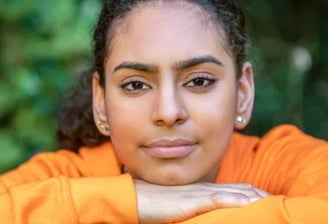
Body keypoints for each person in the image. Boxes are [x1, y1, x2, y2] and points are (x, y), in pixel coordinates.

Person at [1, 0, 328, 223]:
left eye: (199, 80)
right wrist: (135, 201)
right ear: (101, 102)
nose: (168, 112)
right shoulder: (70, 176)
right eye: (135, 85)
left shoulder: (283, 164)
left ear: (242, 93)